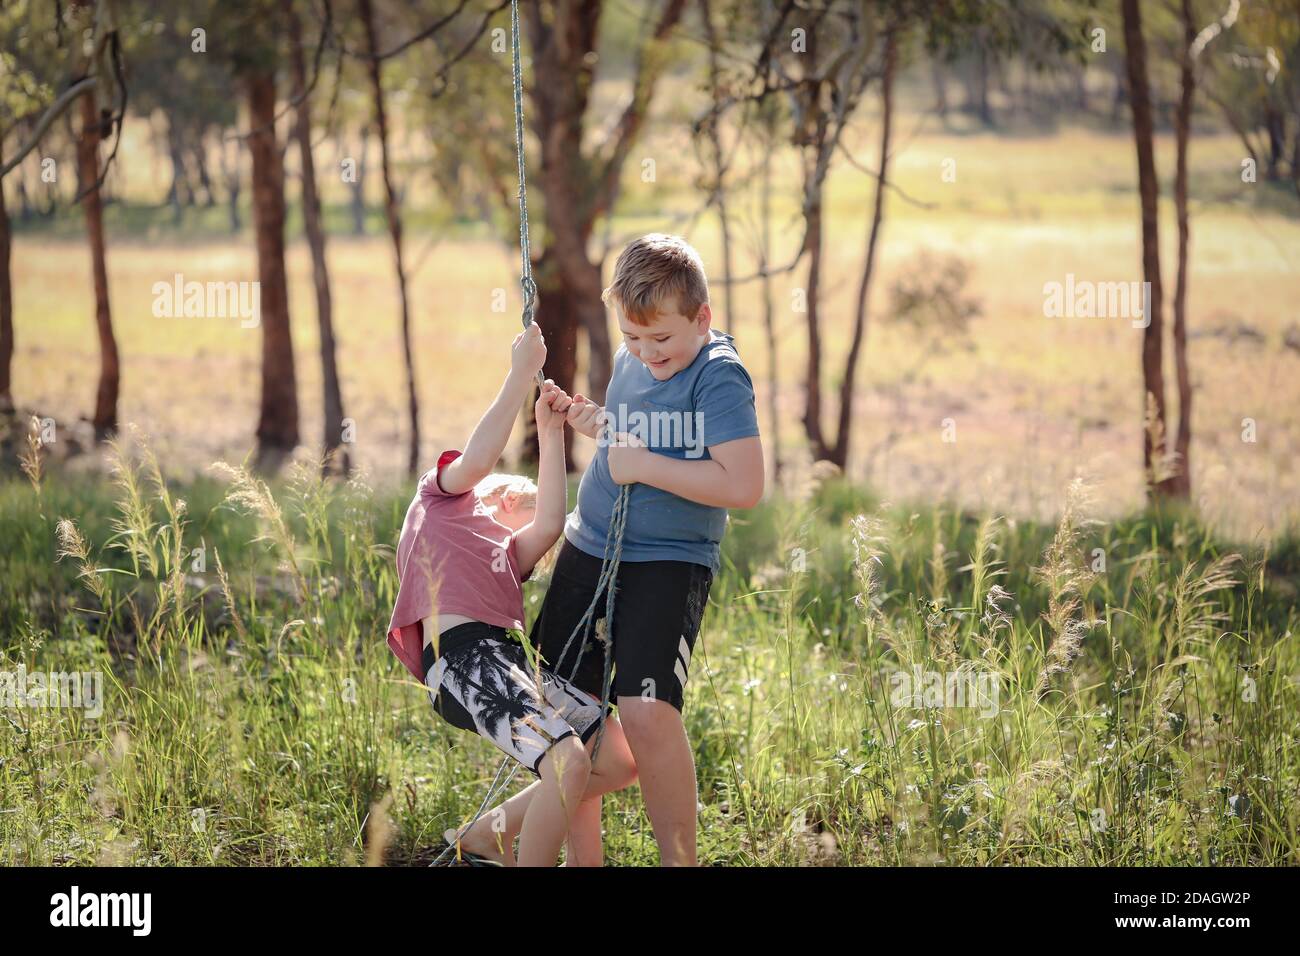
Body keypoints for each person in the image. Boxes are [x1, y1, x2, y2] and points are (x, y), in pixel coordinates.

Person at [386, 321, 637, 867]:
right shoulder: (442, 501)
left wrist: (551, 435)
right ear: (497, 496)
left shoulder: (503, 555)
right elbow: (478, 458)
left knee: (614, 760)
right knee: (567, 761)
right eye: (520, 497)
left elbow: (549, 523)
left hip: (504, 656)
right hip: (460, 657)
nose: (529, 506)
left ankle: (483, 835)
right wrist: (522, 373)